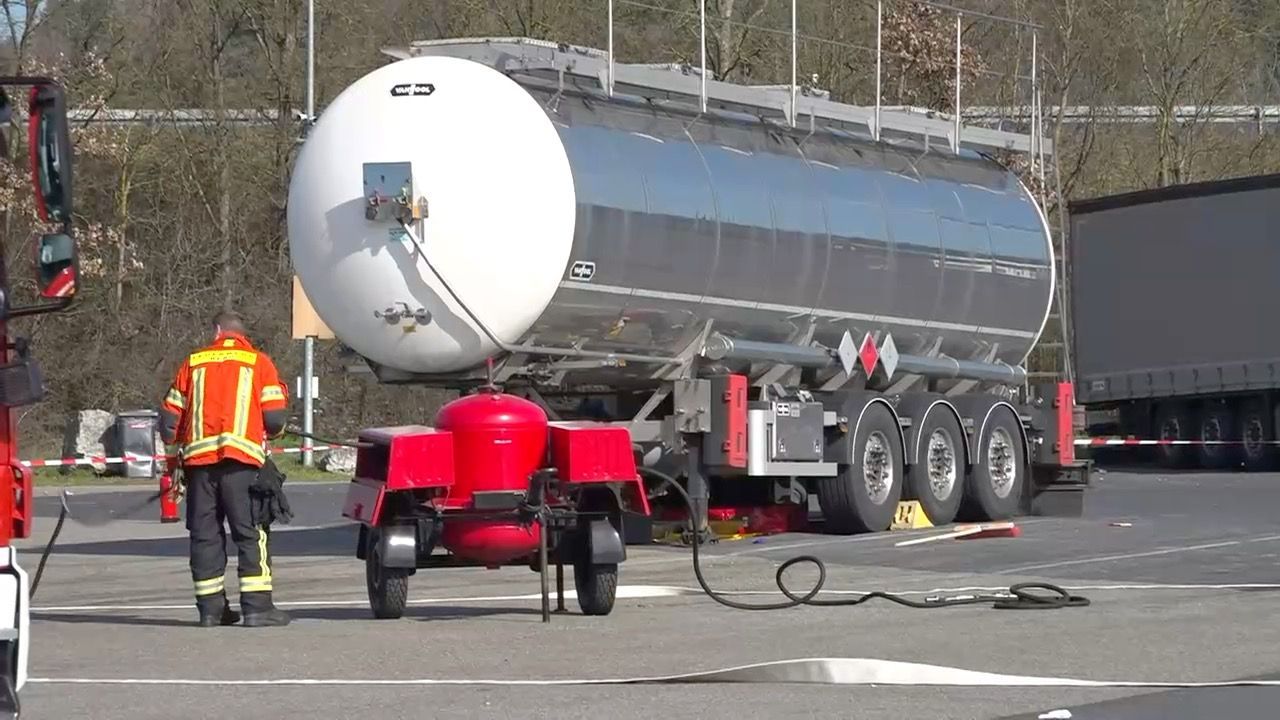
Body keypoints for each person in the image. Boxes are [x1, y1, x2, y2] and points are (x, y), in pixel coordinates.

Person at [160, 310, 292, 627]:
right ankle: (257, 608)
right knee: (251, 532)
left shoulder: (192, 363)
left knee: (205, 536)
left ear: (216, 331)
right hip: (242, 464)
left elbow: (168, 423)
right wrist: (272, 431)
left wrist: (178, 450)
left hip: (199, 467)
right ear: (242, 334)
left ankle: (211, 610)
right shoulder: (258, 362)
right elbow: (274, 421)